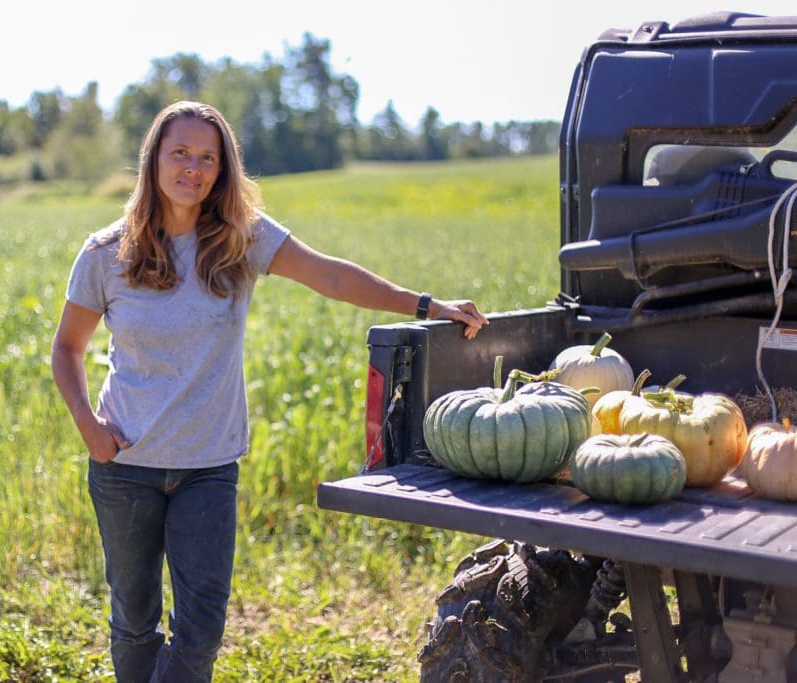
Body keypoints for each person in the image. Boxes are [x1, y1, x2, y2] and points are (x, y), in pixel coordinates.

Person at [50, 100, 488, 682]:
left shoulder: (242, 239)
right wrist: (88, 427)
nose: (193, 168)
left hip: (208, 468)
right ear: (153, 157)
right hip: (125, 466)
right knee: (133, 621)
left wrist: (427, 305)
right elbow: (67, 350)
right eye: (180, 152)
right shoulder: (107, 253)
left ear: (222, 169)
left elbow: (330, 274)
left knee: (200, 629)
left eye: (208, 157)